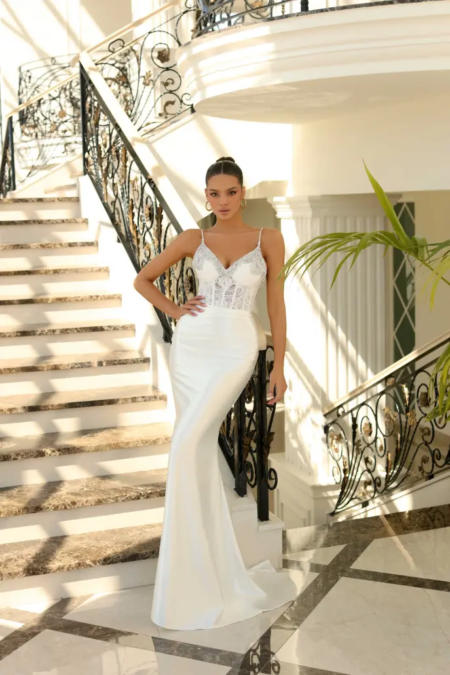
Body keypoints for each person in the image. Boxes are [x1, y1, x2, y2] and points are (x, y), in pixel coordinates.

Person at [133, 157, 299, 630]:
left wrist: (280, 367)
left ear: (243, 192)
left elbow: (276, 305)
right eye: (214, 194)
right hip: (193, 346)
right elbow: (142, 280)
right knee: (195, 451)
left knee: (185, 446)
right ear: (206, 196)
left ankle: (193, 577)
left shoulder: (269, 239)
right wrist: (175, 310)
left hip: (236, 347)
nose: (222, 201)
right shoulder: (192, 238)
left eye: (230, 192)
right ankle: (197, 576)